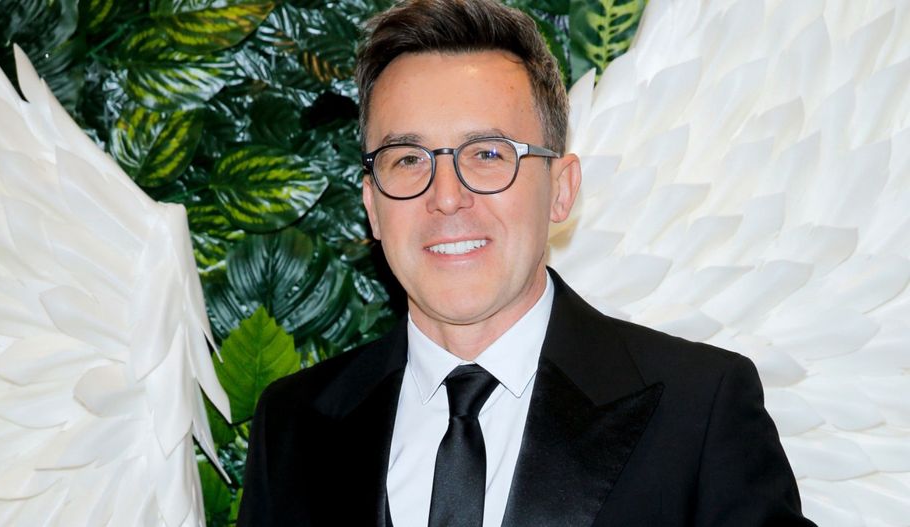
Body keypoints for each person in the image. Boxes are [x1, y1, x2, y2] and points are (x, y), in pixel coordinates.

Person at [237, 1, 815, 525]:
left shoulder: (698, 410)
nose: (446, 197)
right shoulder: (292, 424)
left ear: (561, 190)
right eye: (408, 159)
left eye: (488, 154)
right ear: (372, 205)